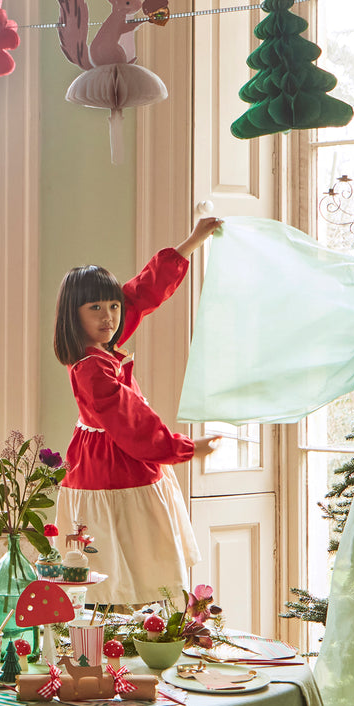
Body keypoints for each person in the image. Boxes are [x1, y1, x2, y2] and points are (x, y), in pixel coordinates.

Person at [53, 217, 223, 606]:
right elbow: (135, 425)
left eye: (112, 306)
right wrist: (185, 448)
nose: (109, 317)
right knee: (128, 555)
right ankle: (128, 629)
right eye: (95, 307)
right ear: (73, 315)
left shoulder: (97, 342)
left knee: (128, 554)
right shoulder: (93, 369)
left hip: (110, 457)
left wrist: (192, 241)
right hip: (115, 465)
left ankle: (134, 621)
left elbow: (141, 292)